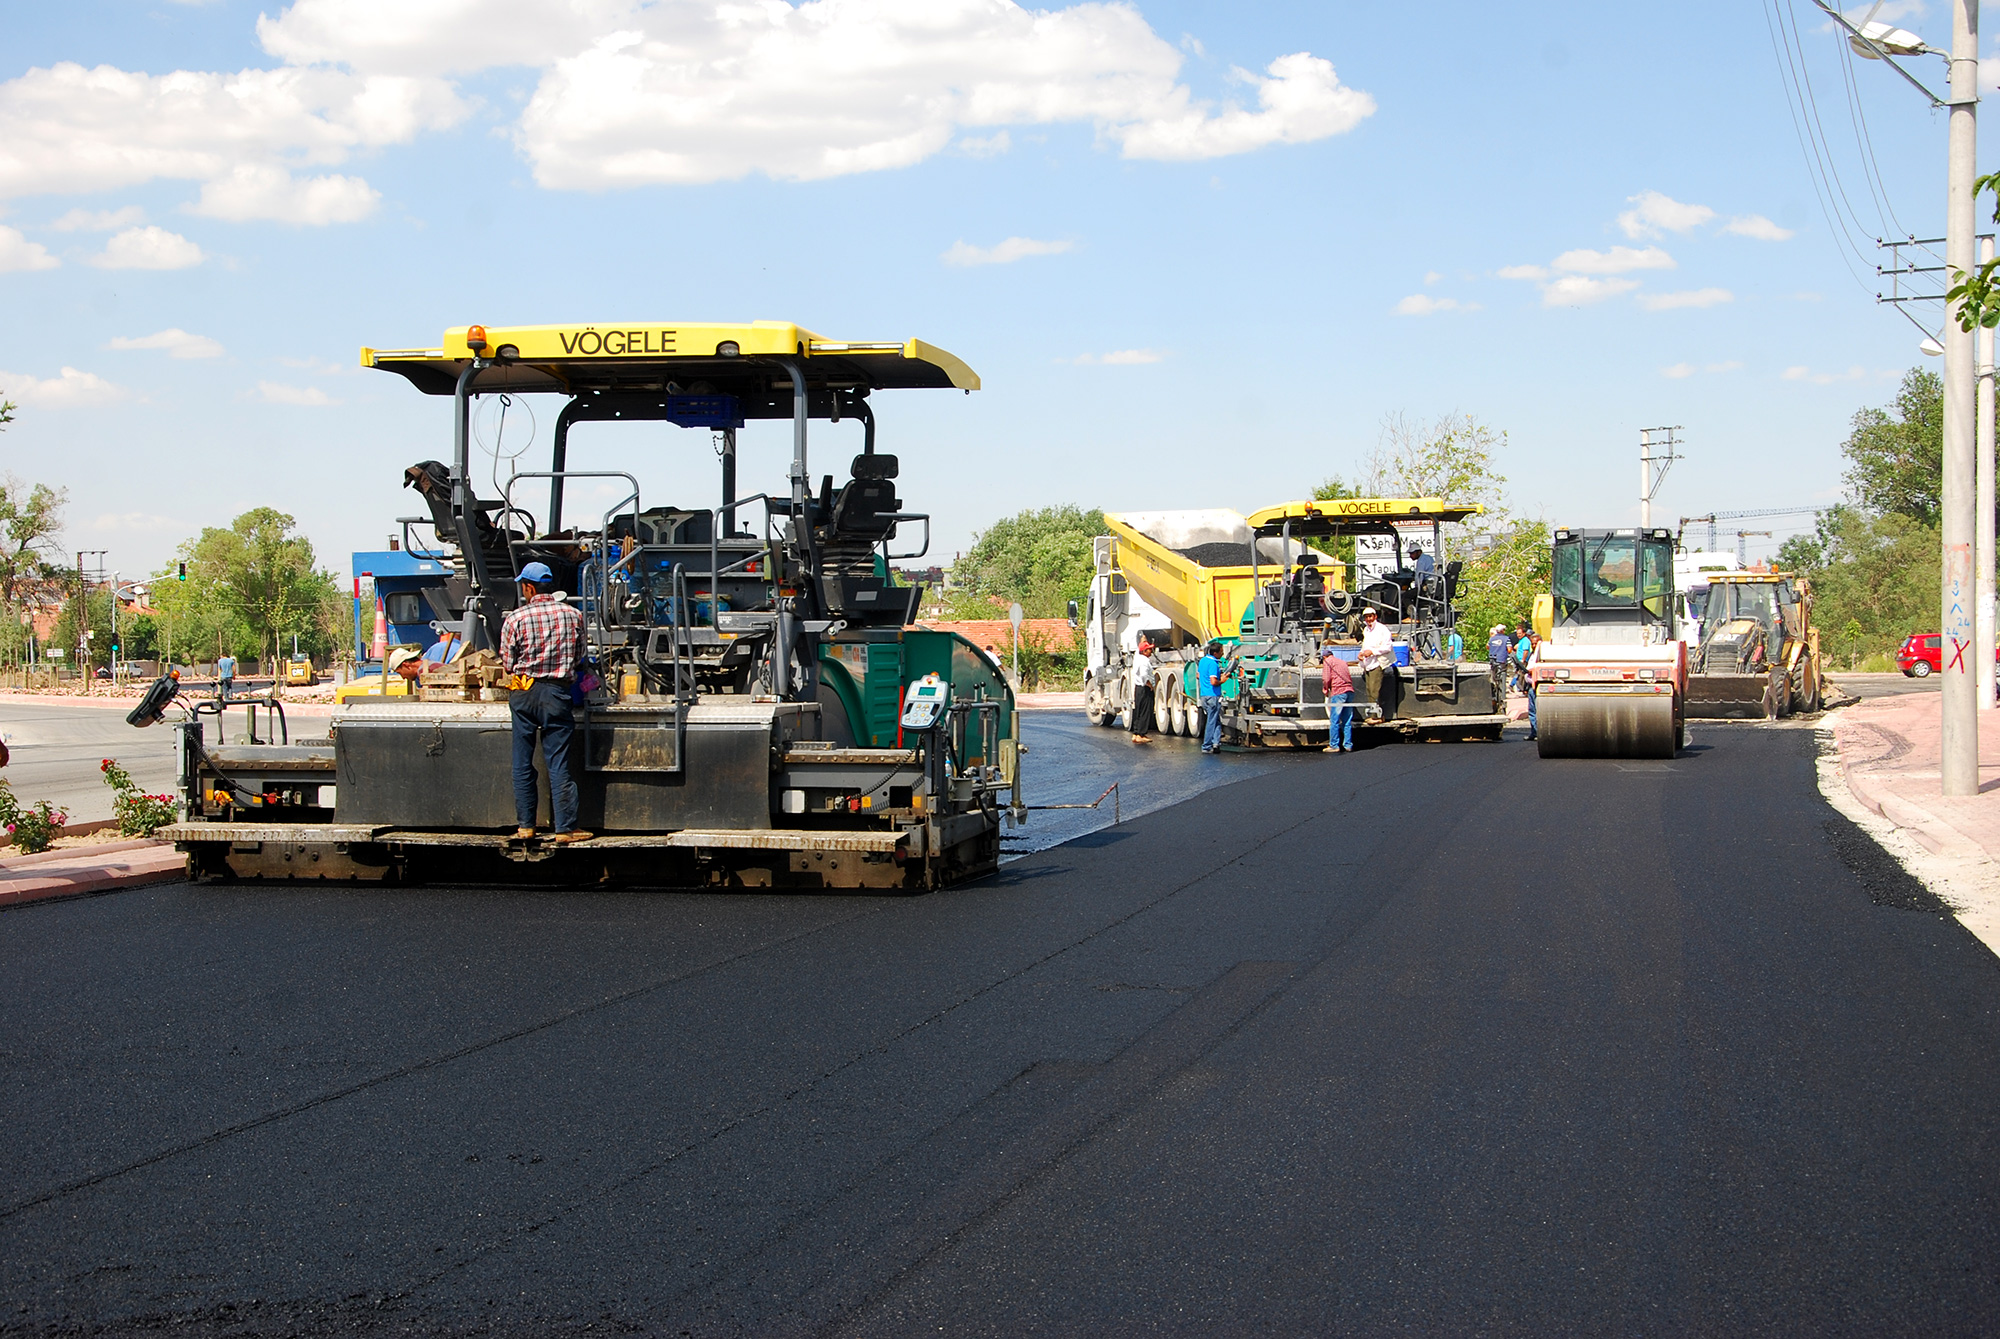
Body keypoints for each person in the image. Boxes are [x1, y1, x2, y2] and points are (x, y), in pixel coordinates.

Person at [500, 560, 591, 843]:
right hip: (556, 693)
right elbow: (579, 657)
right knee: (558, 762)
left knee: (522, 761)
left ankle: (526, 826)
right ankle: (565, 829)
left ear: (528, 587)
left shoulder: (515, 619)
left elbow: (507, 663)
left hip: (524, 692)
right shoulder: (573, 615)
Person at [1357, 606, 1395, 714]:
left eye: (1370, 616)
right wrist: (1361, 653)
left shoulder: (1382, 629)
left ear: (1375, 616)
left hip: (1377, 663)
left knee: (1374, 690)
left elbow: (1387, 647)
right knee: (1369, 690)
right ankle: (1372, 714)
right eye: (1366, 617)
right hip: (1368, 663)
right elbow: (1365, 645)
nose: (1369, 619)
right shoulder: (1366, 630)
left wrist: (1372, 652)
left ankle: (1376, 716)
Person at [1321, 646, 1354, 753]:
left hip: (1338, 692)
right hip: (1349, 691)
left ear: (1324, 657)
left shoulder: (1328, 662)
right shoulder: (1342, 662)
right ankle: (1348, 745)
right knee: (1347, 720)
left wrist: (1326, 689)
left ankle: (1334, 745)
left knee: (1334, 720)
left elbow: (1326, 678)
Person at [1196, 639, 1227, 753]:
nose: (1222, 653)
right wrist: (1222, 680)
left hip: (1204, 695)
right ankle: (1207, 746)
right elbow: (1214, 681)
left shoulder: (1203, 661)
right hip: (1213, 695)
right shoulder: (1213, 664)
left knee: (1216, 720)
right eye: (1221, 651)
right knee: (1211, 721)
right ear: (1215, 653)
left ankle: (1216, 743)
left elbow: (1198, 675)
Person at [1129, 637, 1156, 744]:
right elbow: (1144, 675)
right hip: (1144, 688)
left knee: (1138, 710)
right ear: (1144, 651)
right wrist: (1149, 685)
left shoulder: (1137, 658)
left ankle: (1136, 733)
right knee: (1145, 711)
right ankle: (1141, 733)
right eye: (1149, 649)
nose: (1151, 651)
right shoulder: (1144, 661)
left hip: (1138, 687)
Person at [1514, 624, 1538, 741]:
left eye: (1536, 643)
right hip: (1531, 686)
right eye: (1532, 643)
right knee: (1532, 711)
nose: (1534, 645)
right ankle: (1534, 732)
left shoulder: (1543, 655)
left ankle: (1539, 732)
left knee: (1537, 711)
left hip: (1538, 686)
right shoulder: (1533, 655)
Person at [1485, 623, 1512, 705]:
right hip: (1502, 660)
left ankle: (1495, 693)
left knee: (1494, 677)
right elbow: (1509, 649)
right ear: (1503, 631)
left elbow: (1487, 646)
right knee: (1502, 676)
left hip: (1493, 660)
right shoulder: (1506, 638)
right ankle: (1502, 695)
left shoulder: (1491, 639)